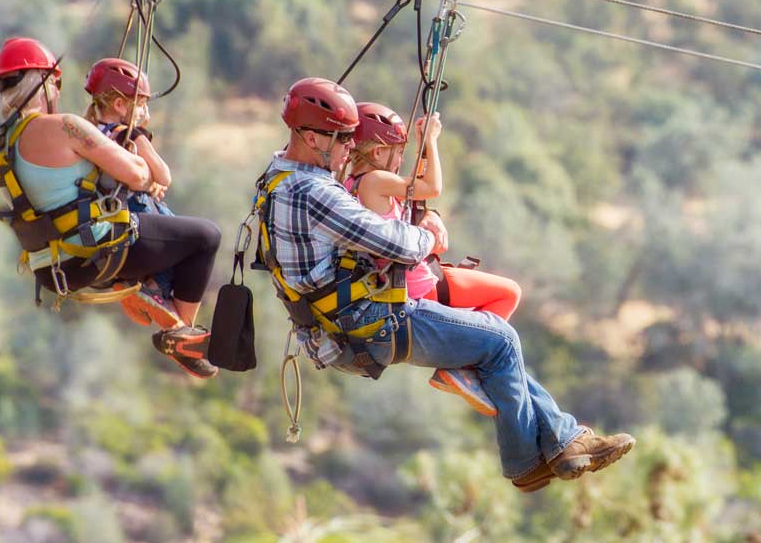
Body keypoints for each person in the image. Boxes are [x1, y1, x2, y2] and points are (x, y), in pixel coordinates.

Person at [262, 77, 635, 492]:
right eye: (343, 138)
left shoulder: (277, 178)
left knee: (493, 350)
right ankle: (526, 461)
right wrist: (427, 234)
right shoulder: (315, 193)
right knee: (502, 341)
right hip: (372, 321)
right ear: (312, 137)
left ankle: (565, 441)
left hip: (340, 326)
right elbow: (398, 244)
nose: (351, 146)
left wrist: (419, 219)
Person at [0, 37, 220, 379]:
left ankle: (150, 290)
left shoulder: (2, 143)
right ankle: (181, 331)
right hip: (96, 250)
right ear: (45, 82)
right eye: (56, 83)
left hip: (52, 268)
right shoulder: (66, 126)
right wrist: (135, 147)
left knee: (147, 227)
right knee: (205, 237)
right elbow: (140, 175)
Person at [344, 102, 522, 415]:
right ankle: (464, 367)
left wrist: (422, 147)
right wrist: (431, 140)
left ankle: (467, 361)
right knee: (508, 293)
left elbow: (414, 193)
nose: (400, 160)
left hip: (407, 283)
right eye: (397, 151)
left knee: (498, 301)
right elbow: (430, 187)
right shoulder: (374, 182)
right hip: (418, 287)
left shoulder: (351, 186)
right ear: (376, 153)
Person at [83, 57, 175, 306]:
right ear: (120, 104)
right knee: (179, 241)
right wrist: (153, 178)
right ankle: (156, 291)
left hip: (103, 213)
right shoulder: (129, 134)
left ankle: (143, 284)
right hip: (134, 209)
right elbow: (164, 175)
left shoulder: (88, 133)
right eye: (142, 104)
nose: (146, 112)